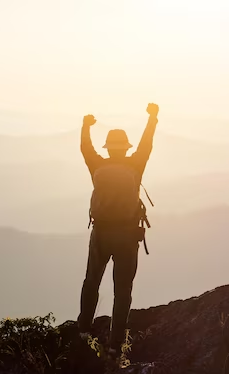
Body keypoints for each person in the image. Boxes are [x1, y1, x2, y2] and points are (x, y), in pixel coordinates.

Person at [77, 103, 159, 353]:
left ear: (109, 148)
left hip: (100, 234)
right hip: (126, 235)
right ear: (126, 148)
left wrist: (85, 126)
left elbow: (85, 148)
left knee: (92, 281)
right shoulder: (136, 165)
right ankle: (115, 346)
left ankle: (83, 329)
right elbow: (147, 143)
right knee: (122, 291)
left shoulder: (97, 166)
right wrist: (152, 118)